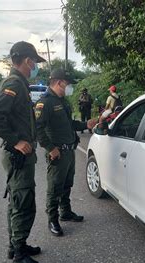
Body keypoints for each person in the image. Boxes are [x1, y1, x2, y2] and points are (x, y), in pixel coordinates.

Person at [0, 41, 47, 263]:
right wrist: (15, 141)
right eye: (34, 63)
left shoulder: (14, 82)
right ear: (27, 61)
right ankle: (19, 256)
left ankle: (15, 246)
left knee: (17, 200)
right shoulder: (14, 83)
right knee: (23, 203)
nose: (35, 67)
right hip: (18, 156)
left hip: (17, 156)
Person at [35, 68, 96, 236]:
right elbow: (38, 129)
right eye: (68, 84)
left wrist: (86, 125)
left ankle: (65, 212)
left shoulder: (63, 101)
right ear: (59, 82)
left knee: (67, 183)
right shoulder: (45, 102)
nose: (70, 87)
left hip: (69, 151)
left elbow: (69, 124)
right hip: (57, 153)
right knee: (55, 187)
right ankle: (53, 219)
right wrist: (50, 148)